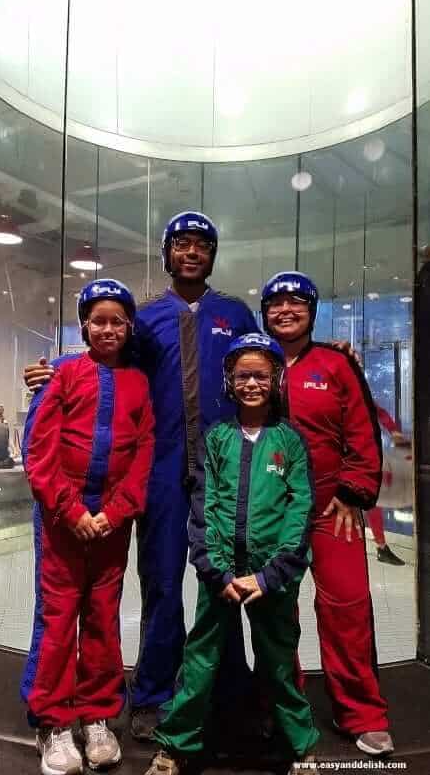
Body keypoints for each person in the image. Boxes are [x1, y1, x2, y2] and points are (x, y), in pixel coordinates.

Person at [23, 211, 259, 741]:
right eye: (182, 245)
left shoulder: (235, 314)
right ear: (167, 254)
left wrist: (334, 352)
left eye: (202, 244)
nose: (192, 253)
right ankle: (153, 693)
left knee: (224, 584)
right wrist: (54, 370)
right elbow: (101, 357)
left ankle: (227, 689)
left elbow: (266, 370)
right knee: (160, 581)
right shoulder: (147, 317)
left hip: (224, 474)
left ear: (212, 254)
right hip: (160, 472)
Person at [146, 332, 319, 775]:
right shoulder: (217, 437)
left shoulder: (291, 442)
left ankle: (300, 747)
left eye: (261, 375)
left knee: (279, 666)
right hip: (219, 577)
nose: (252, 384)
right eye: (243, 375)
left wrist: (270, 575)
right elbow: (204, 507)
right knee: (200, 661)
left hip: (271, 580)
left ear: (276, 379)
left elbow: (298, 512)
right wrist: (215, 571)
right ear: (229, 379)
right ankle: (176, 746)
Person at [21, 279, 155, 775]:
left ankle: (97, 715)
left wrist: (115, 513)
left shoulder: (139, 383)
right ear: (83, 326)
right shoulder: (61, 373)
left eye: (117, 321)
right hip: (63, 522)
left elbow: (143, 453)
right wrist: (70, 510)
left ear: (129, 327)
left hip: (110, 526)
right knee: (57, 621)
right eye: (98, 320)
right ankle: (52, 723)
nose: (108, 329)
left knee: (102, 618)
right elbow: (39, 452)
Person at [260, 271, 394, 757]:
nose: (285, 311)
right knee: (277, 615)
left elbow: (361, 432)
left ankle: (360, 710)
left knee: (347, 608)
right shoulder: (254, 364)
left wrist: (354, 493)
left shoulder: (336, 364)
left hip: (330, 510)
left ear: (311, 311)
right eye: (275, 304)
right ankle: (282, 706)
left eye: (296, 302)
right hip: (273, 512)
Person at [365, 404, 409, 566]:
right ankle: (381, 547)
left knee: (375, 495)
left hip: (364, 451)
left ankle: (381, 547)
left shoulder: (356, 389)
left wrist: (394, 431)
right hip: (350, 452)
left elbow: (379, 411)